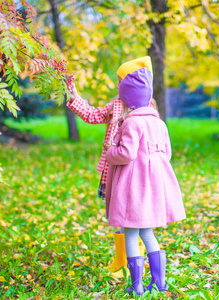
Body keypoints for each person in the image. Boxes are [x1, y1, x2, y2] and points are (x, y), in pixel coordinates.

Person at [105, 56, 186, 295]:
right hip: (154, 188)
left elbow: (127, 154)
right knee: (148, 233)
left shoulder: (131, 124)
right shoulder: (159, 124)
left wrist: (111, 151)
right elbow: (167, 154)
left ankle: (137, 285)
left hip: (134, 188)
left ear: (126, 98)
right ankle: (159, 283)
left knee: (131, 232)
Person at [66, 70, 147, 278]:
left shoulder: (145, 108)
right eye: (120, 83)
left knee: (136, 217)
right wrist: (75, 97)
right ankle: (122, 261)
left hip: (133, 173)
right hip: (113, 171)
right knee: (119, 216)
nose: (121, 87)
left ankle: (135, 259)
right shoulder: (115, 105)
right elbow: (93, 115)